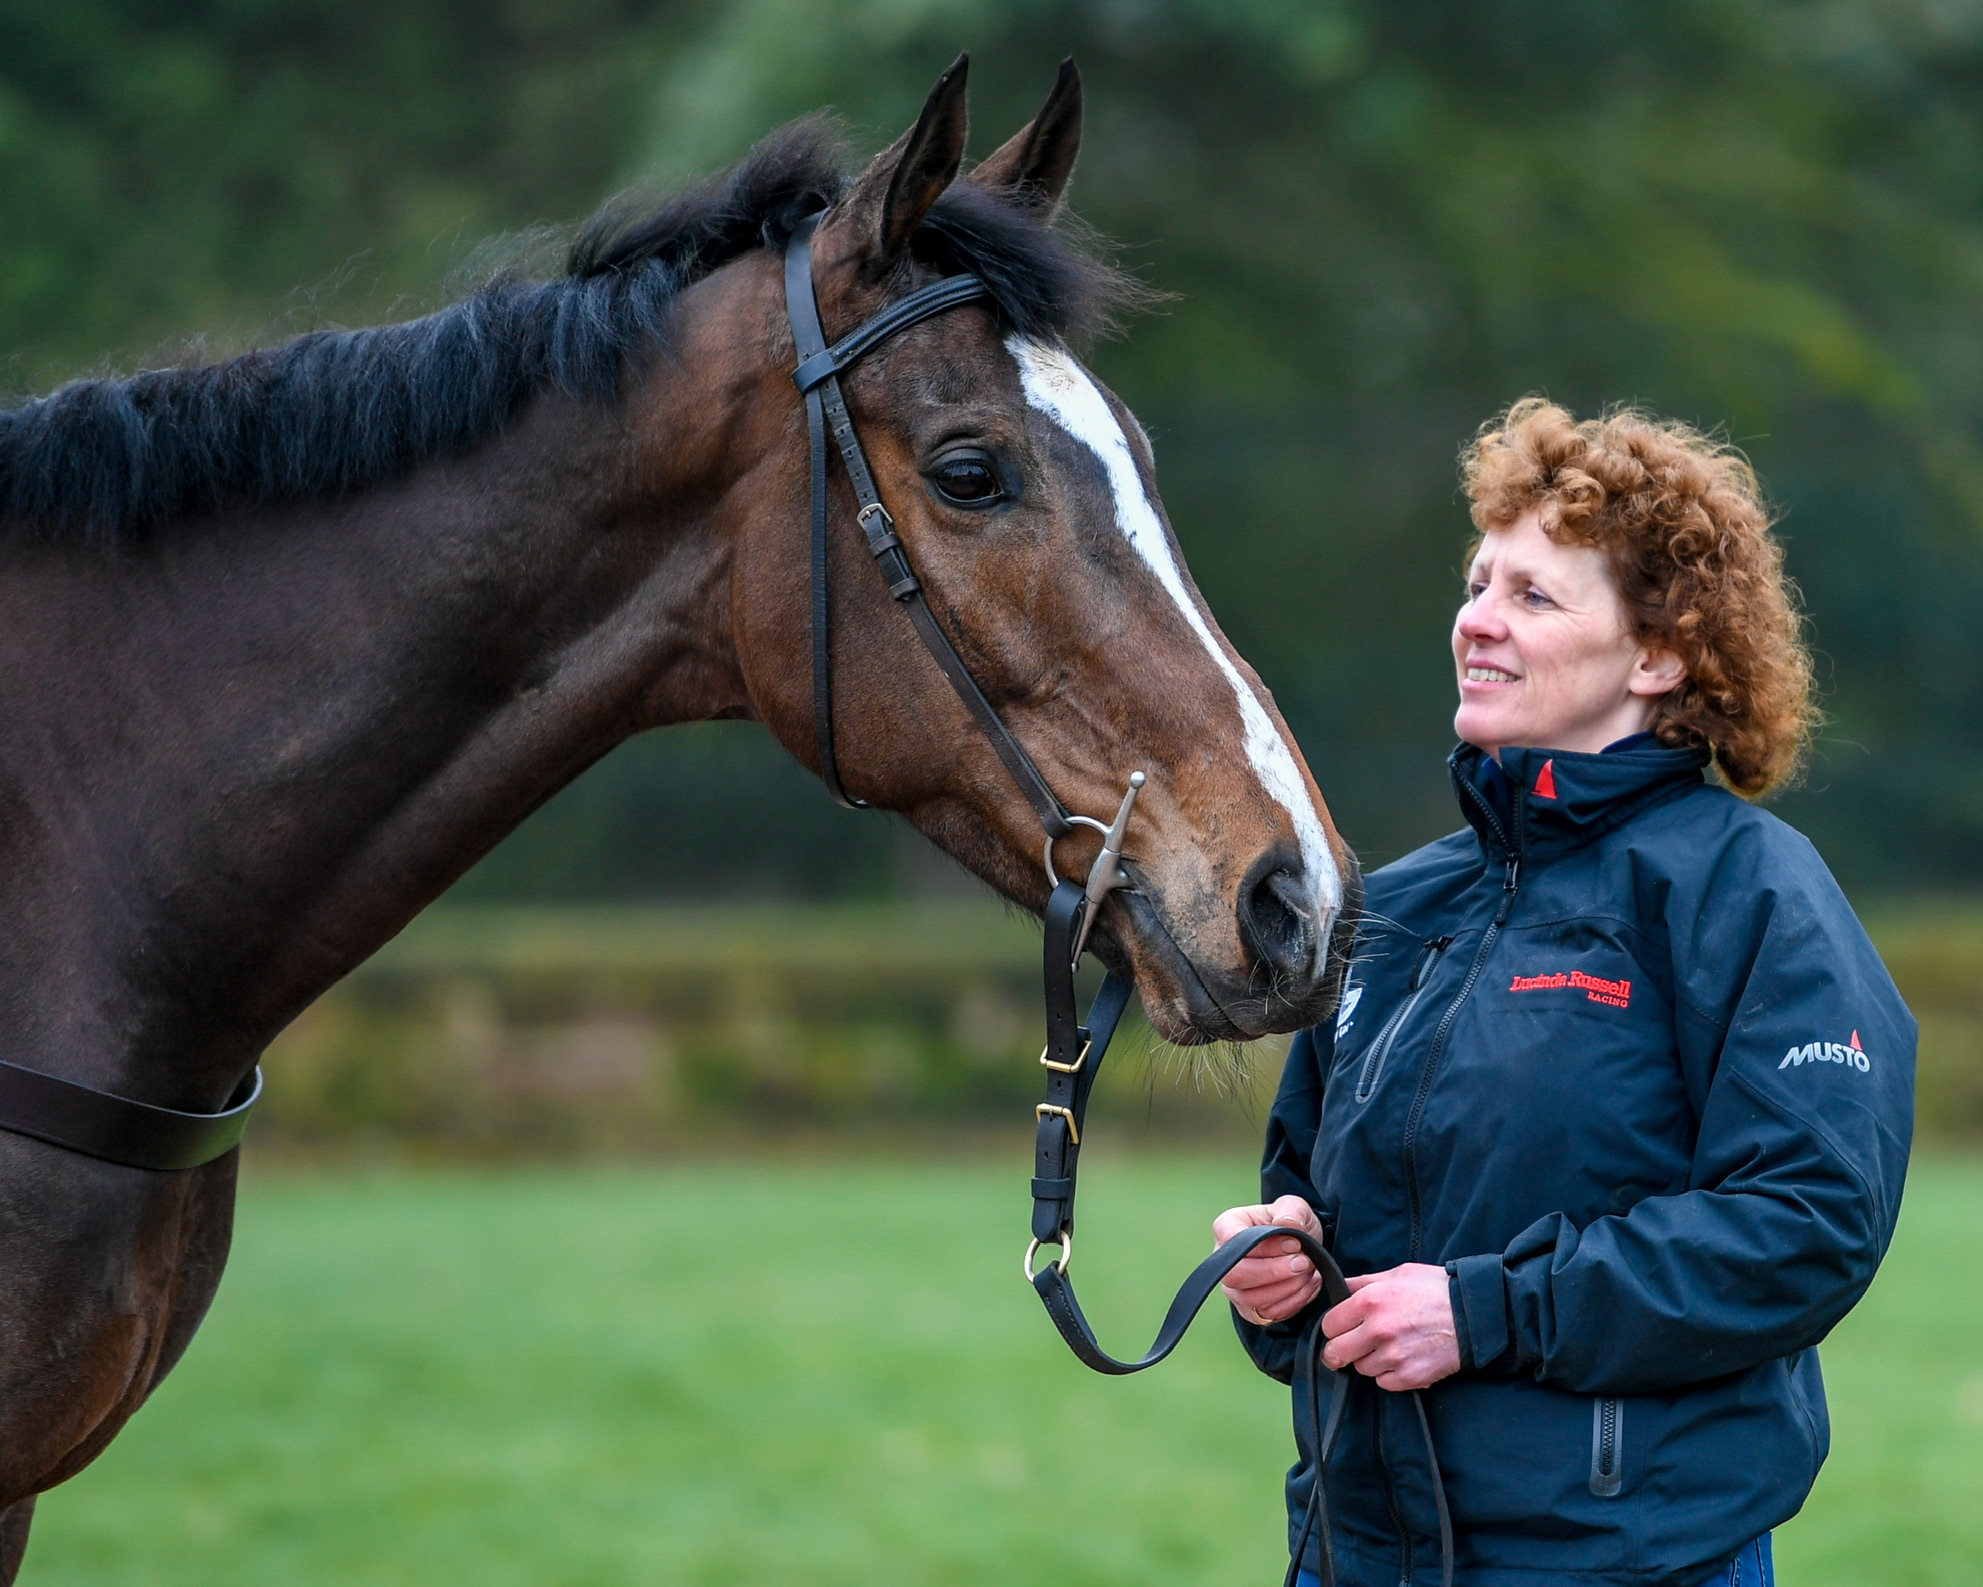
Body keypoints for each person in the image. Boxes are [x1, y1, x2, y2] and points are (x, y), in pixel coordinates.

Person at [1215, 399, 1915, 1587]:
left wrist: (1486, 1313)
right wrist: (1278, 1267)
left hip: (1632, 1561)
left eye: (1533, 596)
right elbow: (1309, 1191)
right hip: (1358, 1553)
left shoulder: (1752, 894)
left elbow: (1807, 1223)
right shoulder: (1396, 910)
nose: (1476, 622)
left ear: (1659, 655)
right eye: (1478, 582)